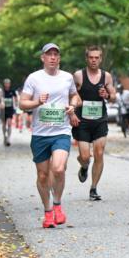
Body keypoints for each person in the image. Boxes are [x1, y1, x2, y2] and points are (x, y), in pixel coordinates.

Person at [18, 43, 80, 228]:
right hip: (40, 134)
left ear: (59, 58)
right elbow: (22, 103)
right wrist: (37, 101)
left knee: (59, 168)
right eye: (49, 54)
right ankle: (47, 212)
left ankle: (58, 205)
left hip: (61, 131)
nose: (53, 57)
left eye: (56, 54)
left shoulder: (67, 78)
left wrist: (73, 106)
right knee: (43, 175)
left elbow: (75, 96)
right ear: (43, 58)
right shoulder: (34, 78)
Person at [72, 46, 117, 201]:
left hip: (100, 121)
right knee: (85, 156)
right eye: (91, 57)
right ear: (87, 58)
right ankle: (84, 167)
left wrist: (108, 95)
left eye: (97, 57)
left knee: (99, 153)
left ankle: (93, 188)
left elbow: (114, 97)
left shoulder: (106, 77)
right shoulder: (78, 75)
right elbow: (71, 93)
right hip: (83, 121)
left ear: (100, 58)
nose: (94, 60)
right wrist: (76, 103)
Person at [1, 77, 17, 147]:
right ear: (4, 84)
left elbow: (16, 98)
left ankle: (8, 138)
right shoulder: (2, 91)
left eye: (8, 83)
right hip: (3, 110)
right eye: (6, 83)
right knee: (4, 124)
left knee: (10, 124)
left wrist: (16, 105)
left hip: (10, 109)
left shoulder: (12, 91)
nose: (7, 84)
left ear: (10, 84)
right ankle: (4, 136)